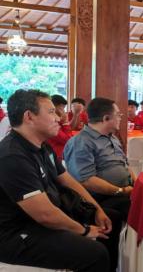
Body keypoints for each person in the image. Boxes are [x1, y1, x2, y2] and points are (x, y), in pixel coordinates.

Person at [0, 89, 118, 271]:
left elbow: (68, 180)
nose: (59, 118)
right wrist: (84, 229)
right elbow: (44, 215)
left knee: (112, 219)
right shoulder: (12, 156)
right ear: (29, 117)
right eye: (51, 112)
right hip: (16, 232)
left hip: (44, 215)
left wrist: (97, 209)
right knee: (95, 254)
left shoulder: (42, 145)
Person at [64, 98, 134, 222]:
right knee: (141, 208)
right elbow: (86, 181)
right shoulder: (81, 142)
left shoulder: (112, 137)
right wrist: (121, 191)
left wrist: (137, 185)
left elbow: (125, 165)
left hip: (124, 191)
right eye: (118, 115)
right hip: (100, 199)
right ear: (106, 118)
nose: (121, 118)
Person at [47, 95, 73, 161]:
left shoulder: (59, 121)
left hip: (61, 155)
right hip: (55, 157)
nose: (64, 111)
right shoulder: (50, 122)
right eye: (62, 108)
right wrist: (66, 123)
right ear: (54, 107)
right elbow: (68, 140)